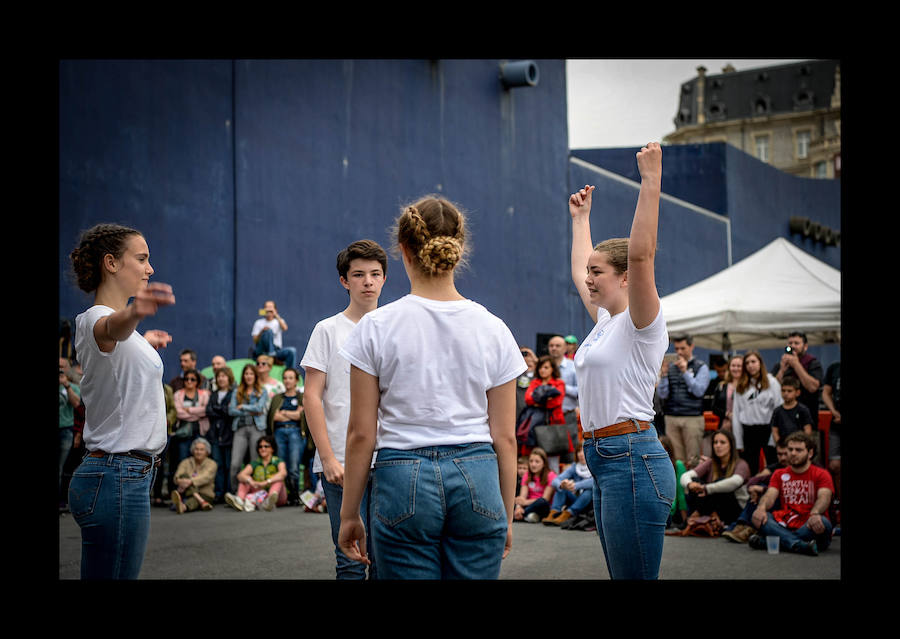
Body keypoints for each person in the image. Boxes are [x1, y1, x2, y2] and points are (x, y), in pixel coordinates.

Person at [337, 195, 524, 580]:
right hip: (477, 473)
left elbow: (360, 434)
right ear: (460, 249)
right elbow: (505, 437)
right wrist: (505, 515)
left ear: (403, 251)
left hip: (402, 474)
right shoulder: (494, 328)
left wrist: (349, 513)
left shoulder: (375, 327)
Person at [568, 142, 676, 580]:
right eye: (590, 272)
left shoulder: (641, 322)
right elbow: (579, 269)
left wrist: (650, 181)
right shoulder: (605, 323)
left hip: (632, 457)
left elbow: (641, 254)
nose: (589, 279)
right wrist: (580, 220)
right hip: (605, 457)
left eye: (598, 273)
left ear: (626, 278)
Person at [67, 223, 175, 579]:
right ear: (111, 263)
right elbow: (110, 328)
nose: (150, 269)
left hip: (120, 475)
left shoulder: (127, 332)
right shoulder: (95, 319)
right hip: (117, 475)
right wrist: (135, 313)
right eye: (141, 259)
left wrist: (146, 340)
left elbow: (118, 345)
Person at [300, 239, 388, 580]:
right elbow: (312, 397)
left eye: (375, 274)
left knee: (384, 559)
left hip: (390, 458)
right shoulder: (327, 330)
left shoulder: (393, 327)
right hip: (341, 459)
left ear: (384, 279)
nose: (368, 282)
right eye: (358, 274)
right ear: (344, 281)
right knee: (350, 559)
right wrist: (327, 458)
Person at [749, 432, 834, 555]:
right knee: (763, 516)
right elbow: (770, 495)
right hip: (786, 523)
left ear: (810, 453)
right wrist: (761, 508)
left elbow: (824, 497)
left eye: (798, 450)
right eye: (790, 449)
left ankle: (775, 541)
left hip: (809, 525)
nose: (793, 453)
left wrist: (815, 513)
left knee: (824, 522)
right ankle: (798, 545)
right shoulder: (779, 473)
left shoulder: (822, 474)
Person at [722, 439, 789, 543]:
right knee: (758, 488)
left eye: (786, 454)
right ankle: (742, 526)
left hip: (785, 502)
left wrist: (762, 489)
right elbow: (753, 481)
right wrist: (754, 489)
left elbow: (785, 489)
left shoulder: (798, 469)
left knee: (762, 489)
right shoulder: (775, 467)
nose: (783, 458)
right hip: (767, 500)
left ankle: (743, 525)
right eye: (780, 454)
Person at [679, 429, 750, 526]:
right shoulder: (711, 462)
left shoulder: (741, 464)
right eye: (715, 442)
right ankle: (707, 517)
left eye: (722, 442)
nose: (718, 445)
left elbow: (735, 482)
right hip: (712, 507)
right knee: (695, 481)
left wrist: (707, 488)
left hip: (735, 509)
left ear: (731, 445)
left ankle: (695, 516)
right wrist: (690, 484)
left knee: (721, 483)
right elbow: (685, 476)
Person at [657, 334, 710, 467]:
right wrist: (664, 374)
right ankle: (679, 481)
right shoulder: (671, 368)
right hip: (671, 417)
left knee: (693, 459)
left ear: (691, 347)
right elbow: (662, 395)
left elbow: (699, 391)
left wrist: (685, 372)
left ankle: (692, 480)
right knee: (676, 459)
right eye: (677, 349)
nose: (679, 352)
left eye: (683, 348)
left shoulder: (701, 367)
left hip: (692, 417)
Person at [732, 351, 782, 475]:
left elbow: (779, 410)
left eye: (753, 362)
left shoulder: (772, 382)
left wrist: (774, 438)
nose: (750, 365)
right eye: (747, 363)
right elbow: (736, 414)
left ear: (760, 363)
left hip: (768, 429)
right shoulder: (741, 386)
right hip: (748, 431)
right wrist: (738, 441)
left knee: (772, 466)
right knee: (750, 468)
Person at [268, 367, 305, 506]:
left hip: (295, 432)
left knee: (294, 464)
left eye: (290, 378)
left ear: (296, 380)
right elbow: (274, 416)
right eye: (285, 378)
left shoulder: (301, 397)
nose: (287, 381)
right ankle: (285, 495)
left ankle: (295, 495)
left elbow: (302, 416)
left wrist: (284, 413)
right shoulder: (277, 398)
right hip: (279, 432)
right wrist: (293, 414)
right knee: (282, 463)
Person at [228, 363, 268, 492]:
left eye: (251, 373)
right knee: (235, 463)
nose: (249, 376)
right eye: (246, 374)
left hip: (256, 428)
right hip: (240, 429)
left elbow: (260, 408)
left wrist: (243, 407)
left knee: (255, 461)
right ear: (243, 376)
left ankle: (255, 493)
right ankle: (235, 492)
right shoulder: (237, 391)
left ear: (255, 376)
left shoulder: (262, 391)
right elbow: (231, 411)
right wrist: (251, 411)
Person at [225, 435, 288, 512]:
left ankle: (269, 501)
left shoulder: (278, 461)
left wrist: (267, 482)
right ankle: (239, 501)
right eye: (260, 447)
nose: (263, 449)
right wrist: (251, 481)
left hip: (278, 496)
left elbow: (283, 473)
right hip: (260, 493)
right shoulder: (255, 463)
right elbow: (240, 475)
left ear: (272, 448)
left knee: (278, 480)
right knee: (245, 479)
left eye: (266, 446)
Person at [772, 331, 824, 423]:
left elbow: (813, 387)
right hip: (784, 418)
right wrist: (782, 370)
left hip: (807, 417)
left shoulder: (813, 364)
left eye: (796, 343)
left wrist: (796, 365)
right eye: (790, 343)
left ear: (805, 346)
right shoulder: (780, 365)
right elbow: (772, 389)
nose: (792, 346)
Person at [542, 442, 592, 527]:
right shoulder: (574, 466)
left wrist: (575, 485)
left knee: (589, 491)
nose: (581, 454)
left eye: (583, 451)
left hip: (589, 503)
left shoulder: (594, 466)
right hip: (576, 498)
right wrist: (563, 485)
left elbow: (594, 482)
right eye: (578, 451)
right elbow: (555, 480)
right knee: (561, 487)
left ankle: (568, 514)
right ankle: (554, 513)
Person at [206, 366, 235, 502]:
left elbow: (229, 412)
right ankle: (219, 492)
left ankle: (229, 492)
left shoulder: (233, 394)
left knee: (229, 465)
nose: (221, 379)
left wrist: (218, 409)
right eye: (219, 376)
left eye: (224, 376)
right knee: (218, 465)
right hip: (214, 434)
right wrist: (221, 410)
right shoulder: (213, 394)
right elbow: (208, 411)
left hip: (228, 434)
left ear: (229, 378)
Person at [172, 368, 210, 467]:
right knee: (182, 459)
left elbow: (205, 411)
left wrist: (189, 410)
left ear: (197, 381)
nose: (189, 381)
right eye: (186, 379)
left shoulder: (204, 394)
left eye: (192, 379)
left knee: (200, 460)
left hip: (200, 432)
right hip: (183, 432)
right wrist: (197, 414)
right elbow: (178, 413)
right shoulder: (178, 394)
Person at [170, 437, 217, 514]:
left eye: (202, 450)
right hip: (186, 492)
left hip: (205, 493)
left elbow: (205, 477)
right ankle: (201, 501)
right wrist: (180, 481)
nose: (199, 452)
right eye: (196, 449)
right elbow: (177, 477)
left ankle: (184, 506)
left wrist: (189, 482)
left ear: (207, 452)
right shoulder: (185, 462)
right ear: (192, 450)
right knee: (183, 475)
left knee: (194, 500)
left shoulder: (212, 464)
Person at [252, 300, 298, 372]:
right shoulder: (258, 322)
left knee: (292, 351)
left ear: (275, 310)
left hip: (276, 351)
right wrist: (262, 332)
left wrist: (276, 315)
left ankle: (290, 372)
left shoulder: (278, 321)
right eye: (266, 307)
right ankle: (271, 356)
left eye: (270, 307)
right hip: (262, 350)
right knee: (268, 331)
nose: (268, 309)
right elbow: (255, 341)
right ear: (263, 309)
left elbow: (285, 328)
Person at [59, 357, 82, 504]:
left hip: (66, 430)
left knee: (63, 468)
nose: (60, 369)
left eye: (63, 367)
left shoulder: (73, 387)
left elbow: (76, 404)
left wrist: (66, 385)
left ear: (68, 369)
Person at [514, 447, 557, 522]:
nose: (533, 464)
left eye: (537, 462)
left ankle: (522, 514)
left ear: (544, 463)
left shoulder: (551, 475)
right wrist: (518, 507)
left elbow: (545, 498)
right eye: (531, 461)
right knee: (514, 500)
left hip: (542, 506)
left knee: (541, 502)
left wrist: (525, 502)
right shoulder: (527, 475)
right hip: (529, 505)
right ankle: (525, 514)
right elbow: (522, 497)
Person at [770, 376, 814, 444]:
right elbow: (775, 431)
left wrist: (802, 444)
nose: (786, 393)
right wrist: (779, 445)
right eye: (783, 390)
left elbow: (808, 430)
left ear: (797, 393)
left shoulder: (803, 410)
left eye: (789, 391)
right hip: (783, 445)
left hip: (799, 445)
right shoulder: (777, 411)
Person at [524, 355, 566, 426]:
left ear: (552, 369)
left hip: (555, 421)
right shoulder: (534, 382)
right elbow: (528, 399)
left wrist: (536, 400)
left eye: (546, 367)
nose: (542, 370)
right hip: (536, 421)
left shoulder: (559, 383)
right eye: (540, 367)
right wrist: (547, 398)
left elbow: (556, 402)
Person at [822, 360, 841, 508]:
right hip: (837, 423)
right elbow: (826, 392)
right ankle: (838, 501)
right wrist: (833, 411)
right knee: (834, 465)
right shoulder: (834, 368)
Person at [548, 335, 578, 427]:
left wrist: (563, 387)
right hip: (546, 416)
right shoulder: (543, 367)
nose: (554, 348)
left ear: (565, 348)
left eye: (558, 346)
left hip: (567, 416)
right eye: (551, 345)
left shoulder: (574, 366)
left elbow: (581, 392)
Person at [659, 435, 688, 530]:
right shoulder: (651, 466)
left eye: (663, 449)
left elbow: (681, 494)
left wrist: (685, 521)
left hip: (672, 511)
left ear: (668, 450)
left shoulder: (678, 465)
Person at [516, 347, 537, 420]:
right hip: (516, 413)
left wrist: (535, 359)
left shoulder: (539, 377)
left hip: (532, 415)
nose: (526, 358)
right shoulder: (513, 375)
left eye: (528, 355)